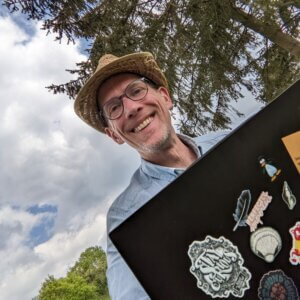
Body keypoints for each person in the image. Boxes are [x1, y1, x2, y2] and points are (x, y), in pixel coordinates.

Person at [74, 52, 228, 299]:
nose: (132, 108)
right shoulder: (125, 218)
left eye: (136, 91)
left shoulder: (227, 141)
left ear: (165, 97)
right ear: (114, 135)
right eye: (114, 108)